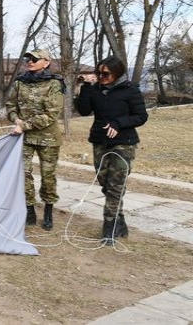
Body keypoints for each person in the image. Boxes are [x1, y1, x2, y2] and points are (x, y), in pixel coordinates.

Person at [76, 55, 148, 245]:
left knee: (116, 186)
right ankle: (120, 221)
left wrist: (119, 123)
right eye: (99, 73)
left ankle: (109, 227)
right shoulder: (95, 90)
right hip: (100, 142)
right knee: (106, 184)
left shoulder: (130, 90)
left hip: (124, 143)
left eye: (106, 73)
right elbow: (83, 111)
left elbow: (141, 116)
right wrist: (85, 88)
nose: (102, 76)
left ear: (117, 72)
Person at [6, 48, 65, 230]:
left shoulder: (54, 83)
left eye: (35, 59)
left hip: (48, 138)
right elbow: (10, 105)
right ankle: (29, 209)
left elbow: (52, 114)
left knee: (48, 176)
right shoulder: (20, 82)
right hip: (23, 137)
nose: (30, 61)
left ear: (46, 62)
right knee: (23, 174)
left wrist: (23, 125)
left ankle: (48, 210)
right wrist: (15, 118)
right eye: (28, 58)